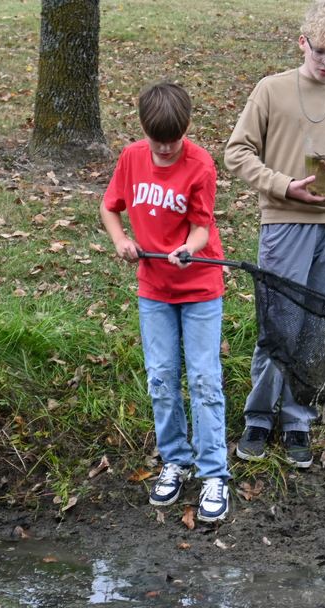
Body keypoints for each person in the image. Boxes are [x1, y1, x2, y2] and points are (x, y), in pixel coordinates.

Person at [224, 0, 325, 469]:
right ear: (303, 42)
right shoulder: (271, 90)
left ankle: (298, 420)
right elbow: (237, 152)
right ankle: (259, 418)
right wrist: (283, 185)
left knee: (316, 325)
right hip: (285, 222)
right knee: (279, 322)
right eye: (322, 51)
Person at [100, 81, 231, 522]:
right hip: (154, 289)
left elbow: (200, 226)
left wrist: (189, 251)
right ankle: (176, 460)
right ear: (145, 132)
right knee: (160, 376)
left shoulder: (200, 165)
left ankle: (214, 473)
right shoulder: (132, 157)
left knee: (203, 379)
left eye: (173, 142)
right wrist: (121, 241)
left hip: (199, 288)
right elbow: (109, 207)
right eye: (159, 143)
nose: (165, 150)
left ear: (185, 131)